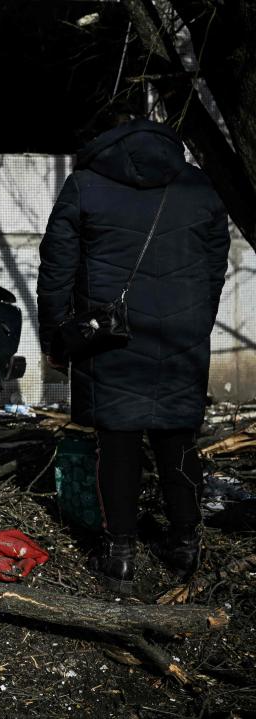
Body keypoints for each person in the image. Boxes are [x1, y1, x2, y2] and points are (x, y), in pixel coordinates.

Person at [37, 117, 230, 595]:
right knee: (178, 436)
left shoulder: (85, 184)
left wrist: (57, 337)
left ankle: (120, 553)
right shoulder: (198, 185)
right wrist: (199, 319)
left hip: (110, 337)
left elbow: (56, 266)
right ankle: (185, 541)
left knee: (118, 442)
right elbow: (215, 261)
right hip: (182, 333)